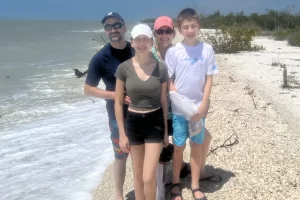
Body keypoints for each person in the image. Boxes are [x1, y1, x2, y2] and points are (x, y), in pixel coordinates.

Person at [165, 8, 219, 200]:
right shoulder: (174, 51)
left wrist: (204, 104)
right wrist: (177, 97)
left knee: (197, 145)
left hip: (198, 110)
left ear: (199, 27)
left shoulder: (207, 49)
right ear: (179, 28)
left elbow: (209, 78)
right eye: (185, 27)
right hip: (180, 110)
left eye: (193, 26)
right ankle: (176, 183)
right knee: (179, 146)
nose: (189, 30)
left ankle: (195, 185)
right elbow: (169, 79)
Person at [114, 24, 169, 200]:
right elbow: (117, 102)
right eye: (138, 39)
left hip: (155, 123)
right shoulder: (124, 68)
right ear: (132, 43)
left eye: (145, 38)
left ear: (152, 41)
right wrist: (122, 134)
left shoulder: (161, 68)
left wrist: (166, 130)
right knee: (138, 176)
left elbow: (164, 100)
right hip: (133, 123)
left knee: (148, 176)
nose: (142, 43)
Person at [84, 12, 134, 200]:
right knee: (121, 156)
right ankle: (118, 195)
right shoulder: (100, 58)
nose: (113, 29)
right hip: (116, 116)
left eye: (117, 25)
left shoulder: (135, 49)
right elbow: (88, 89)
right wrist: (115, 95)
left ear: (124, 27)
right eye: (108, 26)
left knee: (140, 155)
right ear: (105, 31)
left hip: (142, 112)